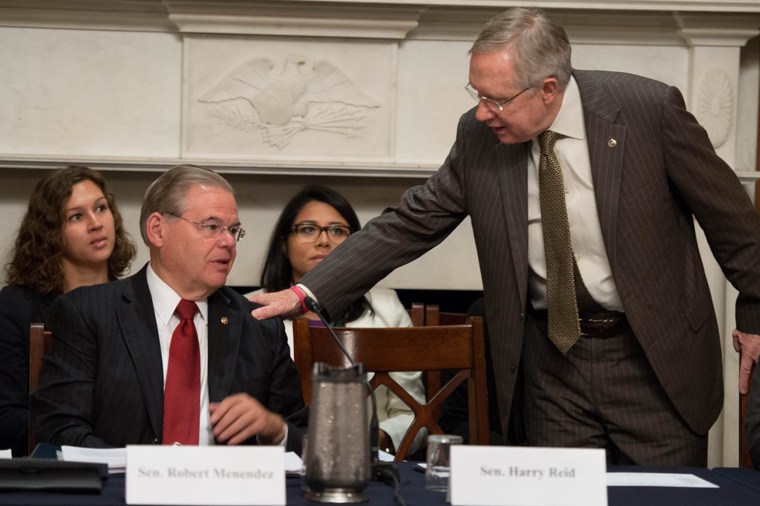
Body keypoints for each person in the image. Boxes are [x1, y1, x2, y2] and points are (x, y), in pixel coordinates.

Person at [251, 7, 760, 466]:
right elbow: (411, 221)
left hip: (652, 360)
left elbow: (733, 222)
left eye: (496, 99)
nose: (481, 112)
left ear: (548, 88)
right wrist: (307, 291)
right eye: (477, 94)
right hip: (550, 366)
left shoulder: (647, 111)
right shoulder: (479, 138)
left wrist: (755, 315)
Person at [32, 164, 307, 452]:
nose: (228, 242)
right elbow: (58, 426)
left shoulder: (258, 324)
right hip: (122, 492)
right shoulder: (89, 313)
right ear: (157, 230)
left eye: (234, 230)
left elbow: (306, 438)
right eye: (211, 226)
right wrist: (138, 474)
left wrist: (275, 429)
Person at [249, 184, 426, 456]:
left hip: (366, 461)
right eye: (308, 229)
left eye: (338, 231)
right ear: (283, 244)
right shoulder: (250, 310)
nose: (323, 241)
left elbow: (414, 413)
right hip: (275, 460)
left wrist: (371, 441)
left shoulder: (387, 307)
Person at [0, 165, 136, 456]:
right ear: (50, 232)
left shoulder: (136, 302)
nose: (95, 223)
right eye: (76, 216)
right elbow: (5, 416)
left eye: (101, 208)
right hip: (47, 464)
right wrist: (80, 436)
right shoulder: (16, 306)